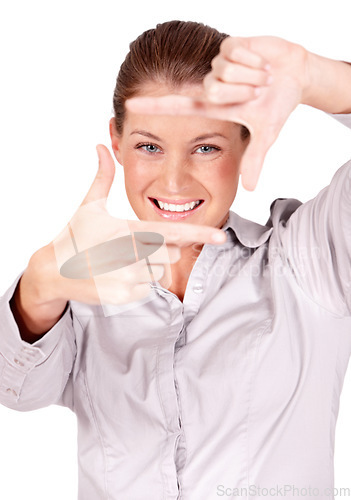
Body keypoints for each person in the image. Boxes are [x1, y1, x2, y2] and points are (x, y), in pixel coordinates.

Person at [0, 19, 351, 500]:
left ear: (247, 140)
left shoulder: (309, 261)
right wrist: (40, 286)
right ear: (117, 142)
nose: (173, 182)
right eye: (149, 146)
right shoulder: (83, 284)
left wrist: (320, 79)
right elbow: (16, 391)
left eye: (206, 147)